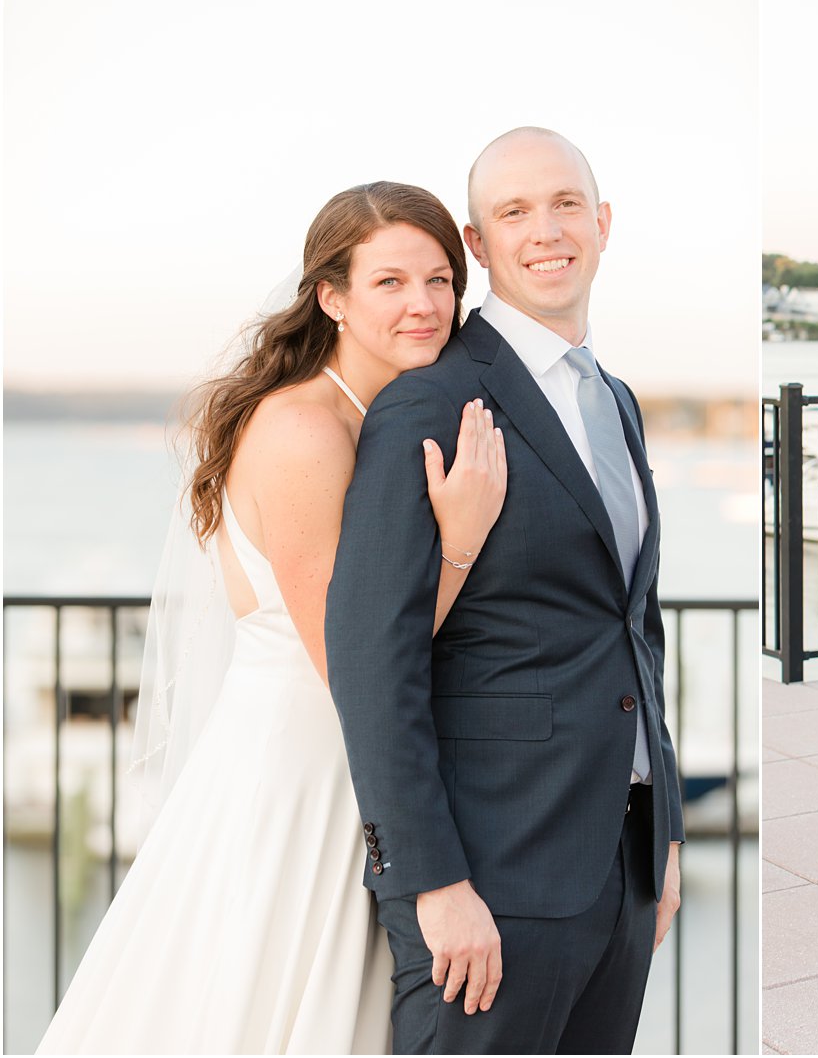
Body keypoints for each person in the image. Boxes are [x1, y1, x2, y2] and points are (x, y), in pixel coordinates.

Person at [37, 181, 507, 1052]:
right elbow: (352, 654)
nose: (425, 304)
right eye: (390, 283)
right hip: (300, 773)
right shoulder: (302, 429)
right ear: (331, 297)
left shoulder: (383, 418)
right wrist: (462, 541)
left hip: (358, 763)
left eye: (441, 279)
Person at [325, 127, 683, 1055]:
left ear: (602, 224)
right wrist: (431, 882)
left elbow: (633, 627)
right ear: (479, 246)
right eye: (513, 212)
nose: (547, 230)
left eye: (566, 204)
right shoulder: (431, 401)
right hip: (488, 882)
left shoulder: (618, 398)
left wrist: (665, 834)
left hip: (620, 872)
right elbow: (373, 660)